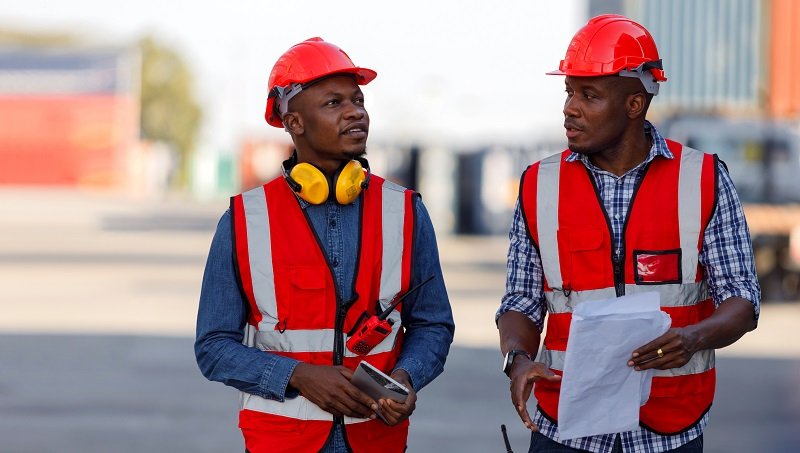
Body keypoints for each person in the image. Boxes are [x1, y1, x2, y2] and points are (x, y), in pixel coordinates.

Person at [496, 15, 760, 453]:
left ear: (634, 104)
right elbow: (520, 302)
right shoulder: (538, 185)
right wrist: (517, 359)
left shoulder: (704, 180)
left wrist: (695, 337)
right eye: (569, 92)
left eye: (589, 95)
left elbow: (743, 300)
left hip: (669, 428)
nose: (570, 108)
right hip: (565, 428)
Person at [195, 37, 454, 453]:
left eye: (358, 100)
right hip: (280, 443)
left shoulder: (405, 212)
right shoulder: (245, 219)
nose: (355, 112)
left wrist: (406, 377)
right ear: (294, 122)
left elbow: (432, 324)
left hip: (376, 440)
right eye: (334, 103)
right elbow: (213, 348)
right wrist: (297, 375)